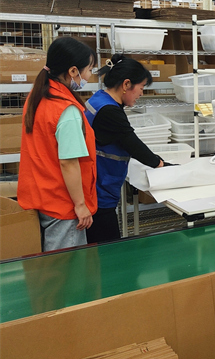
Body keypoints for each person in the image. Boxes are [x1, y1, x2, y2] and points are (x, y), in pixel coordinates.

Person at [18, 37, 97, 252]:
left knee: (52, 266)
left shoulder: (38, 96)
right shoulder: (66, 109)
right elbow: (68, 162)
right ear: (73, 71)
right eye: (89, 70)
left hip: (42, 194)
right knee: (67, 267)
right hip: (64, 203)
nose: (89, 76)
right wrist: (80, 205)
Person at [84, 55, 165, 244]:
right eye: (141, 87)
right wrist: (161, 164)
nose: (141, 94)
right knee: (110, 250)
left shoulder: (99, 98)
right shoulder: (110, 111)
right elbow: (131, 143)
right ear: (126, 84)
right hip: (100, 194)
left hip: (94, 188)